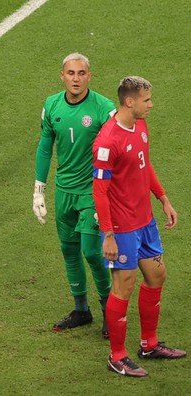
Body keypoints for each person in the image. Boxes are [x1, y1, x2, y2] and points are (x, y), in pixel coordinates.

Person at [92, 76, 186, 377]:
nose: (151, 104)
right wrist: (108, 235)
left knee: (157, 275)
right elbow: (100, 191)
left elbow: (145, 164)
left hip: (145, 221)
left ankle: (149, 344)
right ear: (129, 101)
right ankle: (117, 356)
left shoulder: (140, 125)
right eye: (146, 100)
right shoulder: (107, 141)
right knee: (124, 286)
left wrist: (163, 199)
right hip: (121, 227)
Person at [33, 53, 114, 336]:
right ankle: (82, 310)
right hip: (64, 191)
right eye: (71, 73)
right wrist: (38, 189)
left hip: (93, 193)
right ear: (62, 76)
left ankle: (109, 311)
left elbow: (116, 148)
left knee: (92, 253)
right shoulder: (52, 104)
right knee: (69, 251)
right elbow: (45, 147)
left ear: (89, 76)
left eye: (81, 73)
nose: (76, 78)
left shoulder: (104, 108)